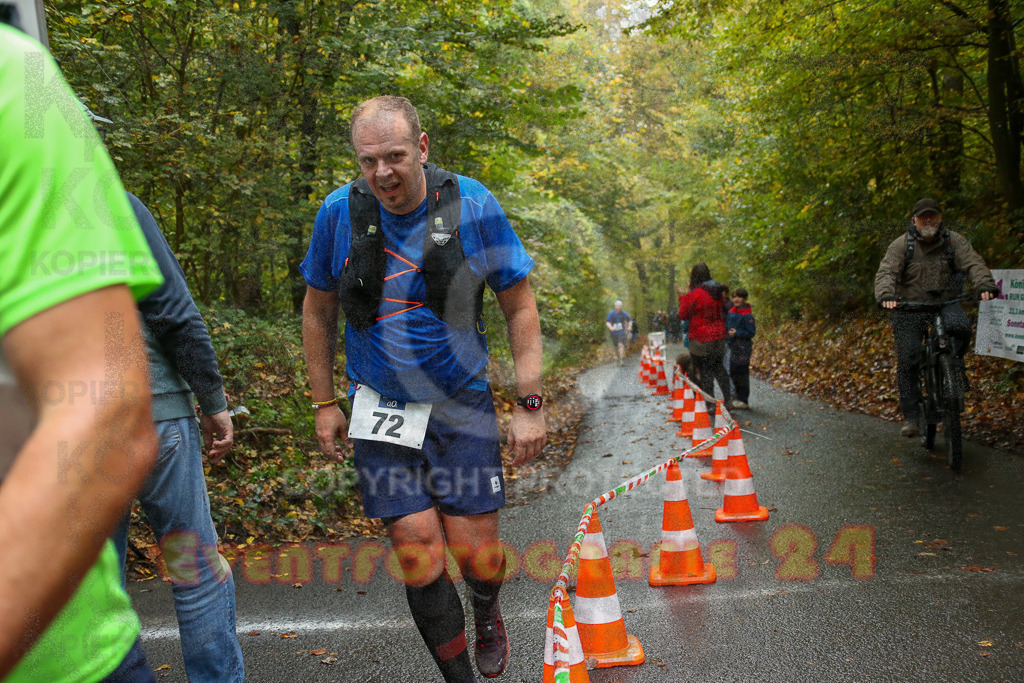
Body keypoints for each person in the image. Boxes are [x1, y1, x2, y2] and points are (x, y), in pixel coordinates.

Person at [300, 96, 545, 682]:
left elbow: (520, 304)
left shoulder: (472, 204)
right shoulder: (339, 214)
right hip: (380, 404)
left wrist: (529, 404)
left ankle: (487, 610)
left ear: (423, 148)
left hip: (460, 401)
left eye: (395, 156)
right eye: (368, 161)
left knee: (473, 551)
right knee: (416, 545)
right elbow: (317, 310)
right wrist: (324, 401)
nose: (382, 172)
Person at [1, 24, 164, 680]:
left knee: (188, 554)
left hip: (158, 408)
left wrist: (208, 400)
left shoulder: (19, 92)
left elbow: (172, 316)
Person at [110, 193, 244, 682]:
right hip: (156, 412)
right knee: (196, 571)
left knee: (96, 586)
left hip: (71, 425)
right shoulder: (115, 202)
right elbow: (173, 312)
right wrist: (213, 401)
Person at [874, 198, 999, 437]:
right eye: (923, 217)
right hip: (908, 307)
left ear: (940, 218)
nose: (928, 220)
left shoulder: (954, 241)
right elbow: (887, 271)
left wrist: (984, 284)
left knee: (960, 326)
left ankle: (954, 368)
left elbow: (973, 262)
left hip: (945, 302)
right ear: (915, 220)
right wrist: (886, 295)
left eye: (933, 216)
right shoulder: (901, 245)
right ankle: (912, 416)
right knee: (909, 356)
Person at [676, 263, 732, 410]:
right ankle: (728, 400)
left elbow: (684, 314)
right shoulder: (718, 291)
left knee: (706, 369)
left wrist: (683, 296)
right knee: (719, 367)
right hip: (719, 335)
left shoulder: (696, 293)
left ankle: (710, 404)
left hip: (702, 338)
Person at [727, 288, 756, 410]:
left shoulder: (747, 315)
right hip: (732, 345)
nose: (736, 299)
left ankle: (743, 400)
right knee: (733, 371)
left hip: (743, 346)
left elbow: (751, 332)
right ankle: (736, 397)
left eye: (739, 297)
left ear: (744, 299)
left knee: (742, 372)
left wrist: (737, 333)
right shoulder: (732, 313)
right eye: (734, 297)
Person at [605, 300, 633, 366]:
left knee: (621, 345)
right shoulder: (611, 313)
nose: (619, 307)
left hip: (622, 331)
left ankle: (621, 360)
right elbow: (607, 322)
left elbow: (630, 320)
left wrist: (629, 326)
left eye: (620, 306)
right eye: (617, 306)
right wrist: (611, 327)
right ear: (615, 307)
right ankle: (618, 358)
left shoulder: (624, 313)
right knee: (616, 347)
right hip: (614, 332)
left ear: (621, 307)